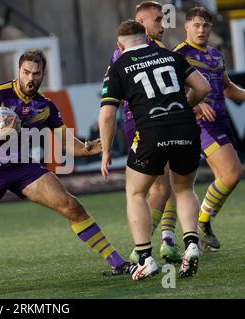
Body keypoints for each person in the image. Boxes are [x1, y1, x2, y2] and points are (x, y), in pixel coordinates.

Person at [0, 49, 137, 276]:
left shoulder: (45, 106)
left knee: (72, 206)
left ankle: (117, 262)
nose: (30, 78)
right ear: (19, 71)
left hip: (23, 167)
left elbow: (68, 144)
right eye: (26, 72)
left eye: (36, 73)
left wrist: (94, 147)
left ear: (43, 75)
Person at [99, 20, 211, 280]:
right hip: (186, 128)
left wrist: (106, 151)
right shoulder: (170, 55)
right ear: (147, 39)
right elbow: (203, 87)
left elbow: (107, 115)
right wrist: (183, 106)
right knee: (183, 189)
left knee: (135, 191)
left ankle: (145, 257)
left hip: (151, 134)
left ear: (120, 45)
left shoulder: (117, 67)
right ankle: (192, 244)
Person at [107, 1, 182, 264]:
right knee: (160, 188)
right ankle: (145, 247)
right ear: (141, 23)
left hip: (156, 121)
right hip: (144, 123)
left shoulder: (145, 49)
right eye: (157, 21)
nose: (163, 26)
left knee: (167, 185)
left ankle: (165, 241)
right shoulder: (132, 52)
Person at [174, 7, 244, 251]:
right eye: (196, 25)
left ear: (211, 28)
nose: (201, 30)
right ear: (186, 26)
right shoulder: (179, 55)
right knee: (233, 173)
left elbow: (228, 88)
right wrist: (197, 103)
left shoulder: (215, 54)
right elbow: (172, 91)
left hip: (222, 119)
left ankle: (201, 228)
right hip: (200, 123)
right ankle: (201, 224)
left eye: (205, 26)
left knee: (227, 178)